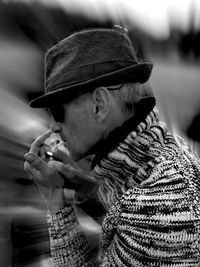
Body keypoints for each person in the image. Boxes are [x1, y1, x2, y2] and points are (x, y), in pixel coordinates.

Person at [24, 26, 200, 266]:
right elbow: (121, 213)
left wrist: (56, 201)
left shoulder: (158, 207)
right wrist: (87, 189)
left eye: (57, 111)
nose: (53, 126)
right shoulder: (161, 150)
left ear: (99, 103)